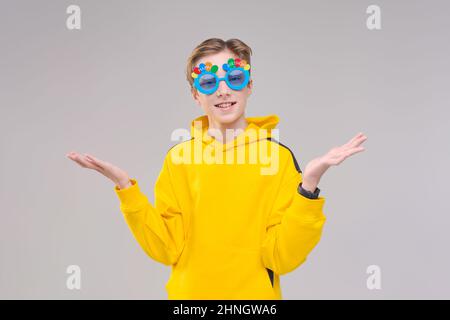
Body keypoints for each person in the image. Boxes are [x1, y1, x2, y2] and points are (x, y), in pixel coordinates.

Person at [66, 38, 367, 299]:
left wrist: (309, 185)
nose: (223, 90)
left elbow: (283, 257)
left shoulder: (277, 158)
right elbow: (166, 248)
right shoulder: (179, 159)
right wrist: (126, 189)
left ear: (249, 86)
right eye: (209, 82)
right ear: (196, 96)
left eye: (234, 78)